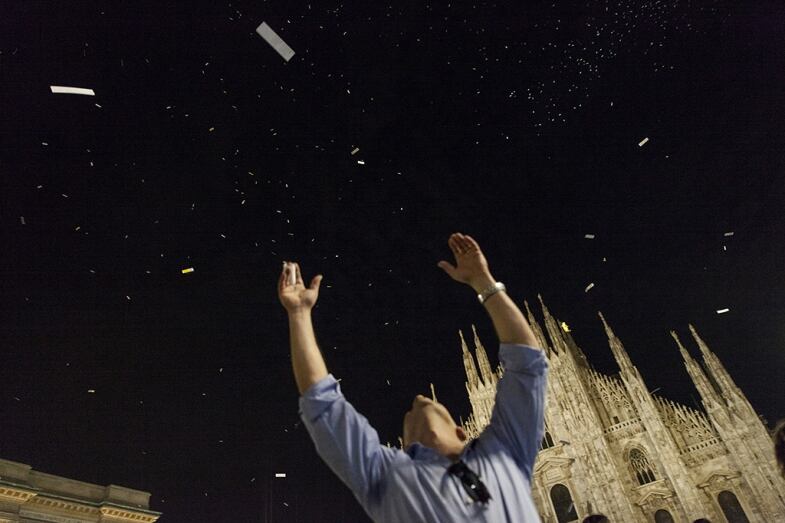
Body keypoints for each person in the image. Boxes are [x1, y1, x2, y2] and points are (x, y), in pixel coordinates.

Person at [278, 232, 547, 522]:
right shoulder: (387, 476)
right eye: (416, 407)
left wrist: (484, 282)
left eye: (423, 403)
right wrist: (299, 314)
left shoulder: (504, 452)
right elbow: (323, 405)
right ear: (403, 448)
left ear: (463, 431)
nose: (419, 398)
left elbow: (528, 364)